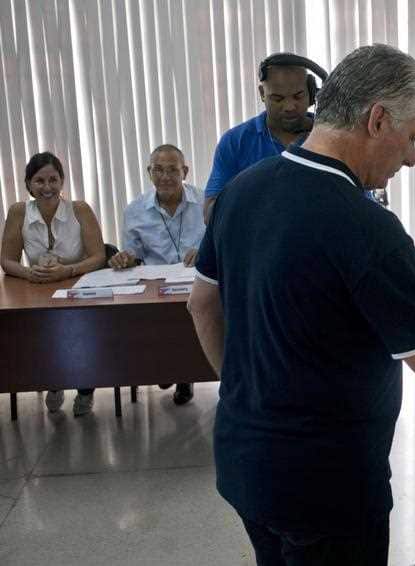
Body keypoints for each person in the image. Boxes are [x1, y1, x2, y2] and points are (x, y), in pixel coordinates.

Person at [188, 44, 415, 566]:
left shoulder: (242, 190)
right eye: (411, 138)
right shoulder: (366, 229)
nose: (411, 157)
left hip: (244, 460)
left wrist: (237, 386)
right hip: (327, 487)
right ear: (377, 119)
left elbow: (202, 302)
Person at [0, 151, 106, 416]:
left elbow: (98, 256)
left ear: (62, 182)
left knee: (83, 332)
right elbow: (6, 260)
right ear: (28, 184)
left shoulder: (79, 209)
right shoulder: (18, 212)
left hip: (79, 285)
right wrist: (28, 273)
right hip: (38, 288)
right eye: (39, 181)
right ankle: (54, 380)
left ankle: (85, 387)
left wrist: (67, 271)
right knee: (42, 333)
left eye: (53, 180)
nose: (47, 187)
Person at [108, 144, 205, 405]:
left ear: (184, 171)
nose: (165, 176)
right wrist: (124, 258)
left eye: (172, 170)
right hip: (155, 286)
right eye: (158, 170)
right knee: (159, 326)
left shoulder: (205, 203)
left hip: (196, 281)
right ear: (149, 173)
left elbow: (221, 241)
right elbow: (132, 254)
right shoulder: (134, 210)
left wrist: (205, 251)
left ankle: (185, 375)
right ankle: (168, 367)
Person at [203, 52, 327, 221]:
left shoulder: (331, 138)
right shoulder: (235, 142)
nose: (289, 106)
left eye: (298, 96)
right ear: (262, 93)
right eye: (277, 98)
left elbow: (360, 204)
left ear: (313, 94)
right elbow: (210, 214)